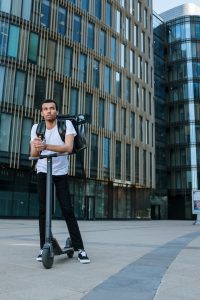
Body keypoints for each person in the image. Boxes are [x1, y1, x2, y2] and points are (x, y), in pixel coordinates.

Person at [30, 99, 90, 264]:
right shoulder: (37, 128)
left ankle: (80, 249)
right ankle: (44, 247)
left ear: (56, 111)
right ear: (42, 113)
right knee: (43, 210)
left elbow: (68, 148)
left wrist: (45, 145)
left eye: (52, 108)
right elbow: (34, 154)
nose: (49, 111)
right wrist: (36, 146)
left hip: (60, 172)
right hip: (43, 170)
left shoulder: (66, 125)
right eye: (45, 109)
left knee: (67, 210)